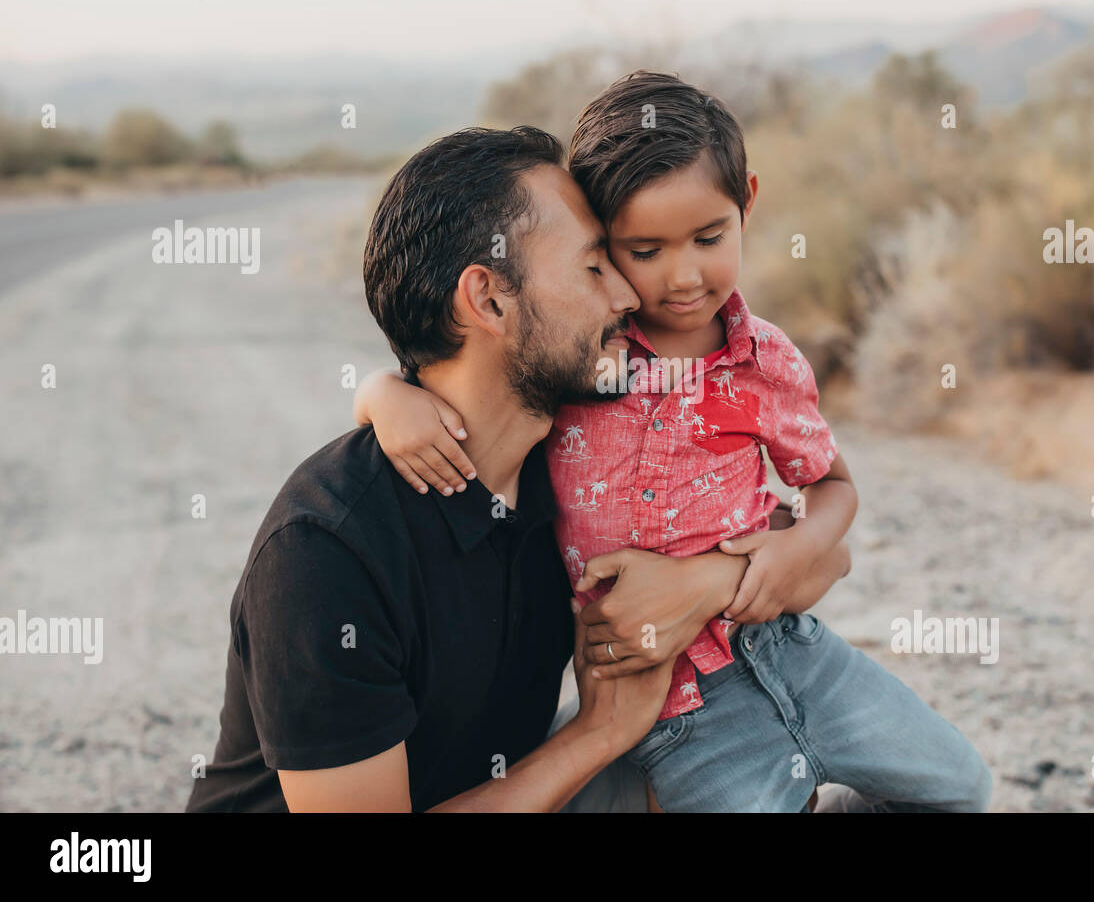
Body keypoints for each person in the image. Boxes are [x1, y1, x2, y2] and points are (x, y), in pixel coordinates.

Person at [355, 73, 994, 812]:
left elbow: (833, 487)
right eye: (644, 249)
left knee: (960, 788)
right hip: (671, 702)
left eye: (709, 238)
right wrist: (381, 393)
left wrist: (795, 549)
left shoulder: (768, 362)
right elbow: (475, 383)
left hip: (796, 653)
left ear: (747, 201)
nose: (683, 276)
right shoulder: (586, 358)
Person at [187, 125, 849, 812]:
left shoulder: (570, 468)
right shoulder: (326, 550)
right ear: (490, 300)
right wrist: (600, 731)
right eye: (595, 267)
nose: (630, 295)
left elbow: (827, 558)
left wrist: (704, 580)